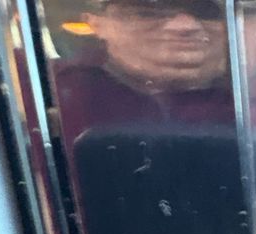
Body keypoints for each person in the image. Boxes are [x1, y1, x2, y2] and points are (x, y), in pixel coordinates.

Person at [52, 0, 233, 145]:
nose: (185, 26)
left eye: (207, 11)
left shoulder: (246, 91)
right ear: (97, 23)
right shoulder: (54, 92)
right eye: (149, 12)